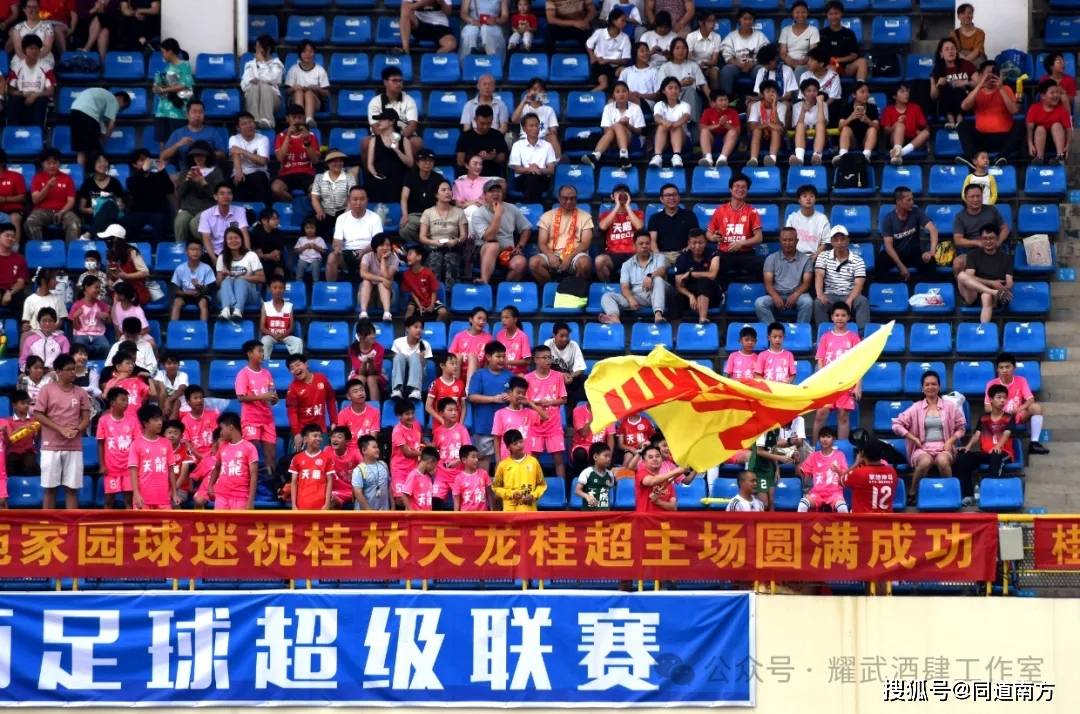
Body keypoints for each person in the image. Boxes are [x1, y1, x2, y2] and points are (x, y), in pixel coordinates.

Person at [892, 370, 966, 497]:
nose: (930, 387)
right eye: (927, 384)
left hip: (944, 448)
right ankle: (913, 493)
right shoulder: (916, 407)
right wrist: (913, 438)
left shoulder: (950, 406)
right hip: (922, 448)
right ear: (922, 388)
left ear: (939, 387)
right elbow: (896, 425)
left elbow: (961, 428)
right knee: (925, 462)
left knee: (943, 461)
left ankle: (949, 494)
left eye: (934, 384)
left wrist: (950, 441)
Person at [34, 353, 91, 509]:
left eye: (74, 369)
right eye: (68, 369)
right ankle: (47, 522)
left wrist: (77, 429)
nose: (73, 372)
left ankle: (71, 523)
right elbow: (38, 414)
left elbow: (86, 418)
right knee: (49, 489)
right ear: (58, 371)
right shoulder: (46, 390)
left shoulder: (81, 392)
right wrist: (60, 429)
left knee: (72, 490)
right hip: (50, 446)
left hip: (74, 446)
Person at [955, 384, 1014, 505]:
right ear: (991, 400)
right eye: (999, 397)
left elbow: (1007, 433)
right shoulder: (983, 418)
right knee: (964, 458)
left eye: (1004, 398)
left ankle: (990, 494)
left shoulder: (1009, 418)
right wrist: (967, 447)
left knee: (996, 456)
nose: (1002, 400)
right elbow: (977, 434)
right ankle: (968, 495)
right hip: (986, 453)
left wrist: (998, 446)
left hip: (1004, 453)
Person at [812, 301, 860, 443]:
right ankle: (814, 447)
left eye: (843, 315)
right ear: (832, 317)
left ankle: (842, 448)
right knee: (821, 413)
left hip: (846, 382)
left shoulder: (854, 338)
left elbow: (859, 364)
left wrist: (858, 386)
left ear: (848, 317)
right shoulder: (825, 337)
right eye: (837, 315)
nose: (840, 318)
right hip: (828, 383)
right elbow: (820, 360)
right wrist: (822, 381)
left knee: (843, 415)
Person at [705, 173, 765, 285]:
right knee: (711, 267)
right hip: (724, 253)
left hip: (746, 253)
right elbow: (708, 234)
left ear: (747, 190)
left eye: (744, 187)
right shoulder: (720, 211)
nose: (740, 189)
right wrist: (713, 238)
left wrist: (741, 243)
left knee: (765, 266)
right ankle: (721, 292)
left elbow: (759, 238)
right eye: (737, 186)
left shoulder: (752, 211)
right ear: (730, 189)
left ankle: (751, 290)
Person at [986, 352, 1049, 456]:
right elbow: (987, 407)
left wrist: (1019, 409)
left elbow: (1030, 399)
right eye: (1001, 368)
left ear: (1014, 368)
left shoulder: (1021, 380)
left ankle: (1034, 443)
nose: (1004, 370)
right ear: (997, 370)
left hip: (1017, 415)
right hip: (1000, 418)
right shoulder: (991, 384)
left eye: (1007, 367)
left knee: (1036, 407)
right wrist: (1003, 412)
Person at [600, 231, 669, 325]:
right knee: (607, 296)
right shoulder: (626, 265)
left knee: (658, 279)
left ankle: (658, 315)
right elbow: (624, 287)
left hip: (658, 293)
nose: (644, 246)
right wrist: (630, 299)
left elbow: (662, 271)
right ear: (634, 246)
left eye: (647, 243)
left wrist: (651, 276)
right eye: (641, 244)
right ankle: (614, 318)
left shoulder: (659, 257)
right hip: (638, 297)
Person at [530, 185, 594, 285]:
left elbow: (585, 243)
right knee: (534, 262)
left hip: (575, 254)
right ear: (559, 198)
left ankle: (575, 288)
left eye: (572, 198)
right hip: (552, 253)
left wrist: (569, 257)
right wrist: (550, 255)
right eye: (565, 198)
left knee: (585, 263)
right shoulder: (547, 216)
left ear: (576, 199)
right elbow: (542, 243)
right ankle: (551, 287)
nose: (569, 201)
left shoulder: (585, 217)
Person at [959, 61, 1022, 161]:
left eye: (994, 73)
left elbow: (1014, 111)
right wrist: (979, 85)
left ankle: (1001, 158)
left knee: (1020, 125)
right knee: (962, 126)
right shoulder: (977, 92)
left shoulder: (1006, 89)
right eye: (988, 73)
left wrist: (1000, 88)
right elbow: (964, 106)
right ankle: (973, 159)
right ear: (981, 75)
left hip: (1003, 137)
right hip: (982, 137)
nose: (992, 76)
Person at [472, 179, 531, 284]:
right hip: (485, 251)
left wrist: (520, 246)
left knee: (520, 262)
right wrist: (498, 215)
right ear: (485, 195)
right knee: (493, 245)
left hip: (507, 251)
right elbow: (489, 237)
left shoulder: (512, 208)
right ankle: (484, 281)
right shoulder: (478, 213)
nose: (496, 194)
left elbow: (526, 228)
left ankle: (505, 287)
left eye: (498, 191)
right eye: (492, 191)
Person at [876, 186, 938, 282]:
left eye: (912, 199)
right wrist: (900, 265)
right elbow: (888, 247)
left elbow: (933, 230)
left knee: (930, 261)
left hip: (913, 253)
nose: (912, 202)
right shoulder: (888, 219)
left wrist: (931, 252)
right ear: (899, 201)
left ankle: (922, 287)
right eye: (908, 200)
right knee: (881, 261)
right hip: (895, 253)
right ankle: (889, 288)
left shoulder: (916, 212)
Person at [468, 341, 511, 473]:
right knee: (482, 460)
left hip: (505, 428)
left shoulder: (510, 376)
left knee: (506, 461)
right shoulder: (479, 375)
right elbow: (472, 397)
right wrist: (493, 399)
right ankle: (483, 486)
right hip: (484, 426)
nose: (502, 359)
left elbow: (517, 397)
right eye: (498, 356)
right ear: (488, 357)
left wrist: (510, 397)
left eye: (503, 356)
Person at [813, 226, 869, 328]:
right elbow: (819, 276)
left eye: (842, 239)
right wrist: (820, 294)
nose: (839, 243)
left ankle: (862, 334)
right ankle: (824, 334)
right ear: (831, 242)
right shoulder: (823, 256)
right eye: (836, 240)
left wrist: (850, 300)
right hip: (830, 294)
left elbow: (859, 284)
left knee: (862, 301)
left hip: (850, 294)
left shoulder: (858, 260)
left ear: (848, 240)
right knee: (818, 302)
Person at [582, 81, 645, 170]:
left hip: (632, 142)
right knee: (615, 128)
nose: (621, 94)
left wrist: (627, 126)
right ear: (613, 95)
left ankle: (596, 155)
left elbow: (639, 132)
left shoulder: (636, 108)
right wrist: (617, 127)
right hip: (612, 142)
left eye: (624, 91)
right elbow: (606, 131)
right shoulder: (608, 108)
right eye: (617, 91)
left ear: (628, 93)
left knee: (617, 126)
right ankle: (624, 158)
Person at [957, 225, 1013, 324]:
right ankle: (993, 292)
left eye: (991, 238)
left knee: (986, 296)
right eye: (985, 238)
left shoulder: (1006, 258)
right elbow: (969, 277)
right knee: (961, 275)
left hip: (995, 296)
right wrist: (991, 283)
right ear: (980, 239)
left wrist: (1004, 288)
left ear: (997, 239)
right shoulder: (973, 255)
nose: (988, 241)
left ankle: (983, 329)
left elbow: (1009, 282)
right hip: (974, 293)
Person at [235, 340, 277, 473]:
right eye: (259, 351)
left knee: (271, 455)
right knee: (251, 454)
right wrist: (263, 396)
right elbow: (241, 397)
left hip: (267, 419)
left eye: (263, 351)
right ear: (249, 354)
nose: (262, 354)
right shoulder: (243, 374)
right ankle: (249, 482)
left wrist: (274, 398)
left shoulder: (267, 373)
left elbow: (272, 393)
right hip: (251, 420)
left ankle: (272, 482)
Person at [756, 227, 813, 324]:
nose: (787, 243)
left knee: (807, 302)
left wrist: (796, 294)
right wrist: (775, 296)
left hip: (798, 294)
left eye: (791, 240)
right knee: (760, 303)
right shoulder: (771, 258)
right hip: (777, 293)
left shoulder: (806, 259)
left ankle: (800, 330)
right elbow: (768, 283)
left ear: (797, 241)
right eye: (784, 240)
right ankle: (774, 329)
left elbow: (806, 283)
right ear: (780, 241)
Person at [418, 180, 466, 292]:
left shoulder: (459, 212)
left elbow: (463, 235)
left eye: (449, 190)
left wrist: (456, 241)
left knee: (450, 258)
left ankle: (451, 294)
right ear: (436, 194)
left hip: (453, 248)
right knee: (435, 258)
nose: (448, 192)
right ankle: (433, 293)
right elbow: (422, 237)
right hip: (433, 248)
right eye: (443, 190)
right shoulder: (428, 212)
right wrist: (434, 242)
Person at [174, 142, 226, 245]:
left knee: (195, 224)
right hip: (188, 208)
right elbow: (180, 193)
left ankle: (207, 247)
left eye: (201, 155)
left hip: (207, 208)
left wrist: (203, 183)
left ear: (207, 156)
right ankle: (180, 248)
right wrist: (186, 181)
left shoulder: (216, 172)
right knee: (180, 221)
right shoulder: (186, 171)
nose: (198, 158)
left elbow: (218, 195)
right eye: (195, 155)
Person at [327, 187, 383, 281]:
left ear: (367, 200)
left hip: (367, 252)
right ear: (349, 200)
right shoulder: (341, 218)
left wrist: (363, 251)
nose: (358, 202)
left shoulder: (375, 218)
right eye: (355, 199)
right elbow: (337, 240)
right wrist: (337, 248)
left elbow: (378, 242)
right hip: (347, 252)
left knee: (370, 256)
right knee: (332, 257)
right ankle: (331, 287)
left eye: (362, 199)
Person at [128, 403, 178, 510]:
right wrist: (136, 493)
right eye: (155, 420)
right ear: (145, 423)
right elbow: (133, 471)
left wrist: (174, 492)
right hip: (142, 499)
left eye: (160, 419)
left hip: (163, 498)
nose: (160, 423)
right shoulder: (136, 444)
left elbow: (171, 470)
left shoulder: (166, 443)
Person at [952, 182, 1008, 275]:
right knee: (958, 263)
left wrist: (998, 242)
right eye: (972, 197)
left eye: (978, 196)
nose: (976, 199)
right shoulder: (960, 217)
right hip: (972, 252)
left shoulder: (992, 210)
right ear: (966, 198)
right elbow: (958, 240)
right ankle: (961, 285)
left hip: (993, 249)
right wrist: (977, 243)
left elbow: (1005, 229)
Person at [207, 412, 259, 510]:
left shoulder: (250, 448)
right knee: (219, 520)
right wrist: (210, 485)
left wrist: (250, 500)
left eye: (222, 428)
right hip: (221, 495)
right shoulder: (222, 446)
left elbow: (254, 475)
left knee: (238, 521)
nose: (220, 432)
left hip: (241, 497)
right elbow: (217, 467)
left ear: (231, 427)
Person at [25, 148, 80, 242]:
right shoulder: (37, 178)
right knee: (30, 222)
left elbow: (71, 201)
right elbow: (35, 200)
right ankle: (38, 248)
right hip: (42, 210)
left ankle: (71, 250)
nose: (52, 166)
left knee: (74, 222)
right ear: (43, 164)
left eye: (55, 163)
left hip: (63, 211)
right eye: (48, 163)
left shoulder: (67, 178)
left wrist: (62, 212)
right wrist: (47, 187)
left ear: (59, 163)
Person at [365, 66, 421, 156]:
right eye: (395, 80)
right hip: (381, 136)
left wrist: (397, 139)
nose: (399, 84)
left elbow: (412, 125)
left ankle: (411, 166)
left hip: (404, 136)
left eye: (400, 81)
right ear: (385, 82)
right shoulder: (375, 102)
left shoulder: (409, 100)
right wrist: (386, 140)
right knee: (365, 142)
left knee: (416, 142)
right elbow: (375, 127)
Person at [96, 387, 138, 507]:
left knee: (129, 500)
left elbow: (137, 444)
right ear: (113, 402)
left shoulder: (133, 420)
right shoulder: (103, 420)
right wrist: (102, 465)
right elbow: (100, 443)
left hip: (129, 467)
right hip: (111, 468)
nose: (126, 403)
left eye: (127, 400)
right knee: (109, 500)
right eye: (123, 400)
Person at [595, 183, 644, 282]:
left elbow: (640, 227)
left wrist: (627, 207)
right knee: (599, 261)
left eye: (625, 192)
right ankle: (607, 287)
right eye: (618, 192)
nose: (622, 194)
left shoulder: (637, 213)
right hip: (613, 254)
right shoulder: (605, 215)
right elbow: (602, 227)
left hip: (633, 253)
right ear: (612, 197)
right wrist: (617, 206)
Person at [271, 103, 321, 202]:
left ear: (304, 119)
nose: (297, 120)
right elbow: (280, 158)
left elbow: (315, 161)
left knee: (315, 192)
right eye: (294, 117)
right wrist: (288, 137)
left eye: (300, 117)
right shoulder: (281, 136)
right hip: (286, 173)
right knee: (276, 188)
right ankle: (293, 202)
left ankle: (304, 205)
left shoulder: (311, 135)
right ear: (287, 119)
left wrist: (307, 141)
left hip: (307, 173)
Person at [70, 88, 130, 168]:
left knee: (81, 150)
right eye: (122, 107)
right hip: (89, 114)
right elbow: (111, 125)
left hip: (74, 110)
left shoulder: (102, 101)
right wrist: (105, 139)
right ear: (120, 99)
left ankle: (80, 172)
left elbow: (99, 123)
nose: (119, 110)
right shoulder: (113, 100)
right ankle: (94, 173)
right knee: (96, 151)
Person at [365, 108, 415, 204]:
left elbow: (410, 163)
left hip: (399, 179)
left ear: (392, 121)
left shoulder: (404, 140)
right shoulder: (374, 140)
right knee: (372, 184)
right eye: (379, 119)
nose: (379, 122)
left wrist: (397, 150)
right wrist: (376, 175)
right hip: (380, 179)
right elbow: (370, 164)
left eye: (382, 119)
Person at [151, 38, 192, 147]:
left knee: (178, 143)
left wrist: (164, 89)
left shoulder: (185, 65)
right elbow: (157, 86)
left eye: (164, 52)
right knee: (162, 142)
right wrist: (156, 88)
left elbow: (184, 85)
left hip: (177, 111)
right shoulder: (165, 68)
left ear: (170, 51)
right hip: (162, 111)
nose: (163, 55)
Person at [215, 226, 263, 321]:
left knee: (240, 280)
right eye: (230, 238)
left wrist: (241, 277)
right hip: (226, 294)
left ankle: (238, 310)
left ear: (242, 239)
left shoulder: (251, 255)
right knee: (226, 281)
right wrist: (223, 276)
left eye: (236, 238)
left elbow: (261, 278)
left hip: (249, 295)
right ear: (226, 241)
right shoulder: (222, 257)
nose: (233, 241)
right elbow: (218, 284)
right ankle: (225, 310)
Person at [797, 425, 848, 513]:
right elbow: (801, 473)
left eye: (828, 436)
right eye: (822, 436)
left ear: (833, 439)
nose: (825, 439)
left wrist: (838, 471)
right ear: (819, 439)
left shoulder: (840, 455)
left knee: (842, 508)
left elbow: (846, 476)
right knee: (802, 505)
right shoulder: (813, 456)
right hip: (817, 493)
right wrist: (797, 462)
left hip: (835, 493)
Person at [718, 8, 768, 97]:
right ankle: (726, 99)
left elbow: (765, 55)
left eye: (750, 19)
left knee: (762, 70)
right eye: (745, 19)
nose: (747, 22)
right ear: (739, 20)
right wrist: (739, 64)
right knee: (726, 70)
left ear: (753, 21)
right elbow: (727, 55)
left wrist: (751, 64)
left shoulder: (760, 36)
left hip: (754, 65)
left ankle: (762, 98)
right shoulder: (732, 36)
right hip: (736, 66)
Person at [7, 35, 54, 126]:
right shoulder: (17, 67)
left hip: (39, 97)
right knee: (14, 100)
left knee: (41, 101)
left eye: (36, 48)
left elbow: (50, 91)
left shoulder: (46, 67)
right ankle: (12, 131)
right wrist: (23, 94)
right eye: (31, 48)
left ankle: (37, 132)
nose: (34, 51)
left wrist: (35, 95)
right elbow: (10, 90)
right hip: (22, 96)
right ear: (24, 50)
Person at [493, 429, 545, 512]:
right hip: (510, 512)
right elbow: (496, 487)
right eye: (515, 444)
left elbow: (542, 485)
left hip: (529, 510)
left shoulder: (533, 462)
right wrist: (511, 494)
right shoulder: (503, 465)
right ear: (508, 447)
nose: (519, 445)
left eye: (521, 442)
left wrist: (533, 495)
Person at [399, 148, 445, 243]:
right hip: (414, 214)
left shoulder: (438, 178)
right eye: (424, 161)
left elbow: (442, 198)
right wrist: (405, 215)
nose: (427, 163)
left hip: (432, 214)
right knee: (405, 229)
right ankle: (424, 245)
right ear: (417, 163)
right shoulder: (410, 176)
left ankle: (427, 245)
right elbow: (404, 197)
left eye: (430, 161)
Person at [930, 37, 977, 130]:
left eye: (953, 48)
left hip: (965, 102)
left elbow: (979, 83)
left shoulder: (966, 64)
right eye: (946, 49)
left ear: (956, 51)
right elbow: (933, 97)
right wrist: (938, 85)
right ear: (941, 54)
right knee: (947, 89)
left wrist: (965, 82)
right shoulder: (937, 69)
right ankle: (951, 121)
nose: (950, 51)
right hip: (945, 103)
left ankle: (959, 120)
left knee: (958, 89)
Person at [673, 229, 719, 323]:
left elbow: (712, 275)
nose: (697, 246)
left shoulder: (713, 253)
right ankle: (675, 330)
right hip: (691, 294)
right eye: (694, 243)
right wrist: (690, 296)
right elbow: (679, 284)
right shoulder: (682, 258)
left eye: (700, 243)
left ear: (705, 242)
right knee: (677, 299)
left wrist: (691, 274)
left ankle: (702, 319)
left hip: (711, 295)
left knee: (703, 281)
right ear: (689, 243)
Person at [508, 113, 556, 202]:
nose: (535, 128)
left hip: (542, 178)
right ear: (524, 129)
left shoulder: (547, 146)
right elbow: (517, 169)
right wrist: (530, 169)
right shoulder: (517, 145)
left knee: (534, 178)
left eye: (537, 125)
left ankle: (528, 205)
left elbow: (551, 170)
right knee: (531, 178)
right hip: (522, 179)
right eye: (531, 126)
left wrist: (538, 170)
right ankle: (536, 205)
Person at [840, 440, 899, 513]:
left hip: (863, 519)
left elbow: (841, 480)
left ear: (862, 454)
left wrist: (856, 464)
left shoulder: (859, 473)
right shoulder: (892, 472)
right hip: (886, 518)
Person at [240, 34, 283, 129]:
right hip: (253, 98)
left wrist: (262, 63)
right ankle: (253, 121)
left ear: (268, 48)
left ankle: (267, 120)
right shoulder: (250, 64)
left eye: (259, 47)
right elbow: (243, 85)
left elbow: (271, 78)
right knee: (254, 87)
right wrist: (251, 82)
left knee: (265, 86)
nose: (257, 50)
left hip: (272, 101)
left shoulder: (277, 64)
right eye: (256, 47)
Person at [657, 37, 707, 119]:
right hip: (673, 99)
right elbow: (662, 88)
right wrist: (680, 84)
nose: (681, 51)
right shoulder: (665, 67)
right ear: (672, 51)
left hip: (692, 98)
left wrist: (712, 100)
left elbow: (703, 84)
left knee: (690, 91)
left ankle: (691, 122)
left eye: (683, 48)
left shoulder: (693, 65)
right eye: (677, 48)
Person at [227, 112, 271, 204]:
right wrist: (239, 171)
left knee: (259, 179)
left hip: (259, 173)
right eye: (244, 124)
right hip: (241, 172)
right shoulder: (234, 138)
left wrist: (242, 151)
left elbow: (262, 161)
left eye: (250, 122)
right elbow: (235, 155)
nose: (249, 126)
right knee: (236, 182)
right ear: (238, 128)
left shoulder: (263, 139)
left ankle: (262, 210)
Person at [198, 182, 249, 261]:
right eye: (222, 194)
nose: (226, 196)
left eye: (229, 193)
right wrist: (214, 260)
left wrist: (247, 256)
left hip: (235, 251)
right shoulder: (206, 214)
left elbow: (244, 233)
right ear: (215, 197)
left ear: (232, 196)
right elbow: (206, 239)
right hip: (214, 252)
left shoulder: (240, 211)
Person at [284, 40, 330, 129]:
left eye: (310, 51)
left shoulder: (320, 70)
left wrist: (317, 88)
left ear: (314, 53)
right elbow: (286, 91)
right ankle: (299, 119)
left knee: (308, 93)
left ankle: (309, 119)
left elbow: (326, 93)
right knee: (299, 92)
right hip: (296, 101)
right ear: (300, 54)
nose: (307, 54)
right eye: (304, 51)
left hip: (315, 102)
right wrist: (294, 88)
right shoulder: (293, 69)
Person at [1026, 78, 1072, 164]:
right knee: (1040, 128)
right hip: (1040, 140)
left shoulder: (1062, 110)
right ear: (1043, 95)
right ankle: (1039, 158)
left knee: (1056, 126)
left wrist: (1068, 146)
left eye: (1057, 92)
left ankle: (1060, 156)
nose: (1056, 95)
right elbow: (1030, 129)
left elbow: (1069, 130)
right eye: (1052, 93)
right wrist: (1030, 144)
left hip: (1057, 141)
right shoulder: (1034, 108)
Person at [883, 83, 931, 166]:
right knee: (900, 125)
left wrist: (919, 132)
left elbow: (926, 127)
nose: (906, 94)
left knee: (926, 133)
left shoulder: (915, 107)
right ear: (894, 96)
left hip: (913, 141)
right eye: (902, 92)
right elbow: (886, 132)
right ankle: (897, 149)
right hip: (895, 140)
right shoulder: (888, 110)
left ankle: (899, 153)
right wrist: (896, 124)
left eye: (907, 91)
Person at [649, 76, 692, 168]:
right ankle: (657, 156)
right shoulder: (659, 104)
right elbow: (657, 117)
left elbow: (686, 116)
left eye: (676, 88)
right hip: (664, 140)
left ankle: (677, 156)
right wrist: (665, 122)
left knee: (676, 127)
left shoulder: (685, 105)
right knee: (661, 126)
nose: (674, 91)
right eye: (670, 88)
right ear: (664, 91)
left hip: (682, 140)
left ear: (679, 91)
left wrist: (675, 124)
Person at [832, 81, 879, 164]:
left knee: (872, 129)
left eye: (867, 92)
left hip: (866, 141)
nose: (866, 94)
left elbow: (877, 127)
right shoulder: (846, 107)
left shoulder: (872, 107)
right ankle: (843, 155)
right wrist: (851, 117)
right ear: (854, 95)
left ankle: (866, 155)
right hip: (852, 141)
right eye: (862, 92)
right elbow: (840, 127)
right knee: (845, 129)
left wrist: (867, 120)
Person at [585, 9, 631, 93]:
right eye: (622, 20)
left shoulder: (625, 38)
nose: (625, 23)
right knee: (604, 85)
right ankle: (584, 96)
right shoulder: (600, 32)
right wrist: (592, 56)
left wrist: (607, 60)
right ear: (614, 21)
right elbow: (588, 45)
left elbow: (625, 60)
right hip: (600, 65)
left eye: (625, 21)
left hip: (615, 67)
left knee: (625, 71)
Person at [819, 1, 867, 80]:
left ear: (841, 14)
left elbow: (854, 55)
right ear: (827, 15)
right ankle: (830, 88)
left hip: (846, 67)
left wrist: (838, 60)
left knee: (862, 61)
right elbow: (817, 54)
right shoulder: (822, 33)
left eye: (836, 13)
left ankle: (860, 85)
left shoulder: (849, 33)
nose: (833, 16)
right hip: (828, 66)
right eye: (830, 14)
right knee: (831, 68)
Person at [389, 397, 423, 507]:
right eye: (407, 414)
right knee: (400, 500)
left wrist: (428, 444)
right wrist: (425, 453)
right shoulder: (397, 431)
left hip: (414, 469)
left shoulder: (417, 425)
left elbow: (420, 441)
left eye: (413, 413)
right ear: (399, 416)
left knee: (413, 497)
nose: (411, 416)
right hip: (400, 469)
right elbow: (407, 453)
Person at [745, 79, 787, 168]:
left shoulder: (782, 106)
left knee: (775, 130)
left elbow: (780, 127)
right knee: (757, 130)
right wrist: (768, 124)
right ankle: (753, 159)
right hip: (760, 134)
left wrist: (774, 107)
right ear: (762, 94)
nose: (771, 94)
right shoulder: (755, 105)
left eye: (773, 92)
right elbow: (752, 126)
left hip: (777, 135)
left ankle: (772, 159)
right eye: (768, 91)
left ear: (777, 94)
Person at [391, 315, 432, 401]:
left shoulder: (425, 344)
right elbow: (396, 362)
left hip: (417, 375)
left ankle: (415, 390)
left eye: (421, 328)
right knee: (399, 356)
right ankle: (397, 389)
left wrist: (421, 356)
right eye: (416, 327)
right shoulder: (398, 342)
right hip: (401, 374)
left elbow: (423, 366)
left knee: (414, 356)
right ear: (407, 329)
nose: (419, 330)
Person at [260, 276, 302, 356]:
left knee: (298, 341)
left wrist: (283, 335)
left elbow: (291, 327)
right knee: (264, 341)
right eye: (275, 288)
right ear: (270, 289)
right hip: (270, 336)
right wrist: (273, 335)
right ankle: (264, 363)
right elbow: (262, 327)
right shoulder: (265, 306)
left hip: (285, 336)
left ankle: (296, 362)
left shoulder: (289, 306)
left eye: (281, 288)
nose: (278, 290)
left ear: (284, 289)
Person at [451, 306, 493, 386]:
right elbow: (451, 356)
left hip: (477, 372)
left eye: (484, 320)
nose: (481, 322)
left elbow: (488, 362)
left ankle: (469, 389)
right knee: (457, 357)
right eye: (479, 318)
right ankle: (455, 388)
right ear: (471, 319)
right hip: (459, 371)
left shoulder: (489, 338)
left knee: (472, 357)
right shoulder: (459, 336)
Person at [697, 90, 740, 168]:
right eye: (721, 100)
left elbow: (738, 131)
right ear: (713, 103)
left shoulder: (733, 112)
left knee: (732, 132)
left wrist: (725, 125)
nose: (724, 102)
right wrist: (718, 125)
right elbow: (701, 128)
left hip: (728, 142)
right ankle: (707, 158)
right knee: (704, 131)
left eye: (726, 100)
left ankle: (722, 159)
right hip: (712, 141)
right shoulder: (708, 112)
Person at [785, 184, 830, 259]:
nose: (808, 199)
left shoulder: (822, 218)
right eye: (804, 196)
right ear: (799, 200)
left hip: (816, 257)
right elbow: (788, 240)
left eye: (811, 196)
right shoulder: (792, 218)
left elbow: (826, 242)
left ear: (815, 199)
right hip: (796, 257)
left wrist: (815, 256)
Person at [70, 275, 111, 356]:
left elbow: (109, 322)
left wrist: (106, 316)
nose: (98, 290)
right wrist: (75, 317)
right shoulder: (77, 305)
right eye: (96, 287)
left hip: (98, 335)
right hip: (81, 335)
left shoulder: (102, 305)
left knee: (105, 346)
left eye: (99, 288)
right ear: (86, 287)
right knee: (79, 347)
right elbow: (76, 328)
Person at [779, 0, 818, 80]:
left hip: (806, 63)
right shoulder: (785, 30)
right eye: (797, 12)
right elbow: (783, 53)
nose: (800, 15)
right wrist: (791, 62)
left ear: (807, 13)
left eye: (803, 12)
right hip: (788, 62)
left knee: (799, 70)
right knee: (784, 71)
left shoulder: (813, 30)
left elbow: (813, 52)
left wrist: (802, 62)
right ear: (792, 14)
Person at [636, 443, 680, 512]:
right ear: (644, 462)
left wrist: (658, 502)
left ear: (662, 459)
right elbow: (652, 481)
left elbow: (674, 507)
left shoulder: (668, 482)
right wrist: (678, 471)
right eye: (650, 457)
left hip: (663, 519)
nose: (655, 459)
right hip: (646, 518)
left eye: (657, 456)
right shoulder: (641, 473)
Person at [9, 1, 54, 67]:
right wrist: (26, 60)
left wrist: (35, 59)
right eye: (29, 7)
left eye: (35, 7)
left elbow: (47, 47)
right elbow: (18, 48)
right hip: (22, 58)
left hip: (43, 58)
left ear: (39, 8)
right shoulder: (18, 28)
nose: (32, 10)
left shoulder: (48, 27)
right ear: (24, 9)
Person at [352, 434, 390, 511]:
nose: (377, 449)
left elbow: (388, 486)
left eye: (377, 447)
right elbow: (358, 494)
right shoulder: (358, 470)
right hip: (366, 515)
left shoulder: (383, 465)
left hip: (384, 512)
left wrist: (392, 506)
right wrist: (370, 513)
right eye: (374, 447)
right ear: (364, 450)